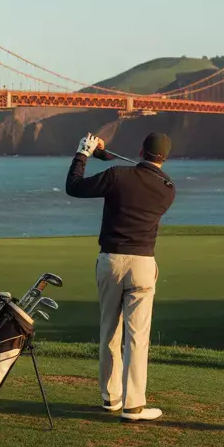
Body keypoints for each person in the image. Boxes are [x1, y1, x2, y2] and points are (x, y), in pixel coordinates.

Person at [65, 131, 176, 422]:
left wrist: (84, 152)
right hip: (143, 264)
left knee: (109, 330)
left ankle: (110, 397)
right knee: (137, 337)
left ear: (140, 150)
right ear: (165, 158)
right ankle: (134, 405)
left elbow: (74, 187)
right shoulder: (168, 189)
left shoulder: (116, 176)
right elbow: (140, 178)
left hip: (111, 259)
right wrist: (105, 154)